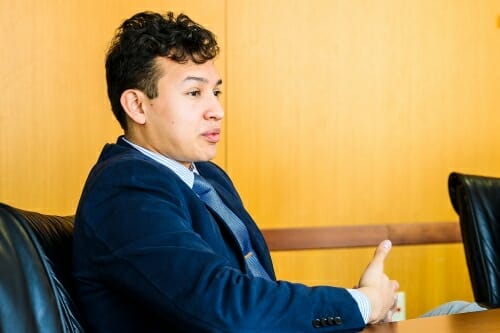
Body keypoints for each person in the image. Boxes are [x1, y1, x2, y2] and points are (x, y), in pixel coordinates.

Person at [72, 11, 480, 333]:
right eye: (194, 93)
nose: (216, 109)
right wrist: (361, 303)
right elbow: (227, 308)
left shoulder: (207, 178)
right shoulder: (125, 189)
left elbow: (256, 299)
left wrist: (362, 307)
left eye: (215, 92)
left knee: (467, 312)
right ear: (137, 106)